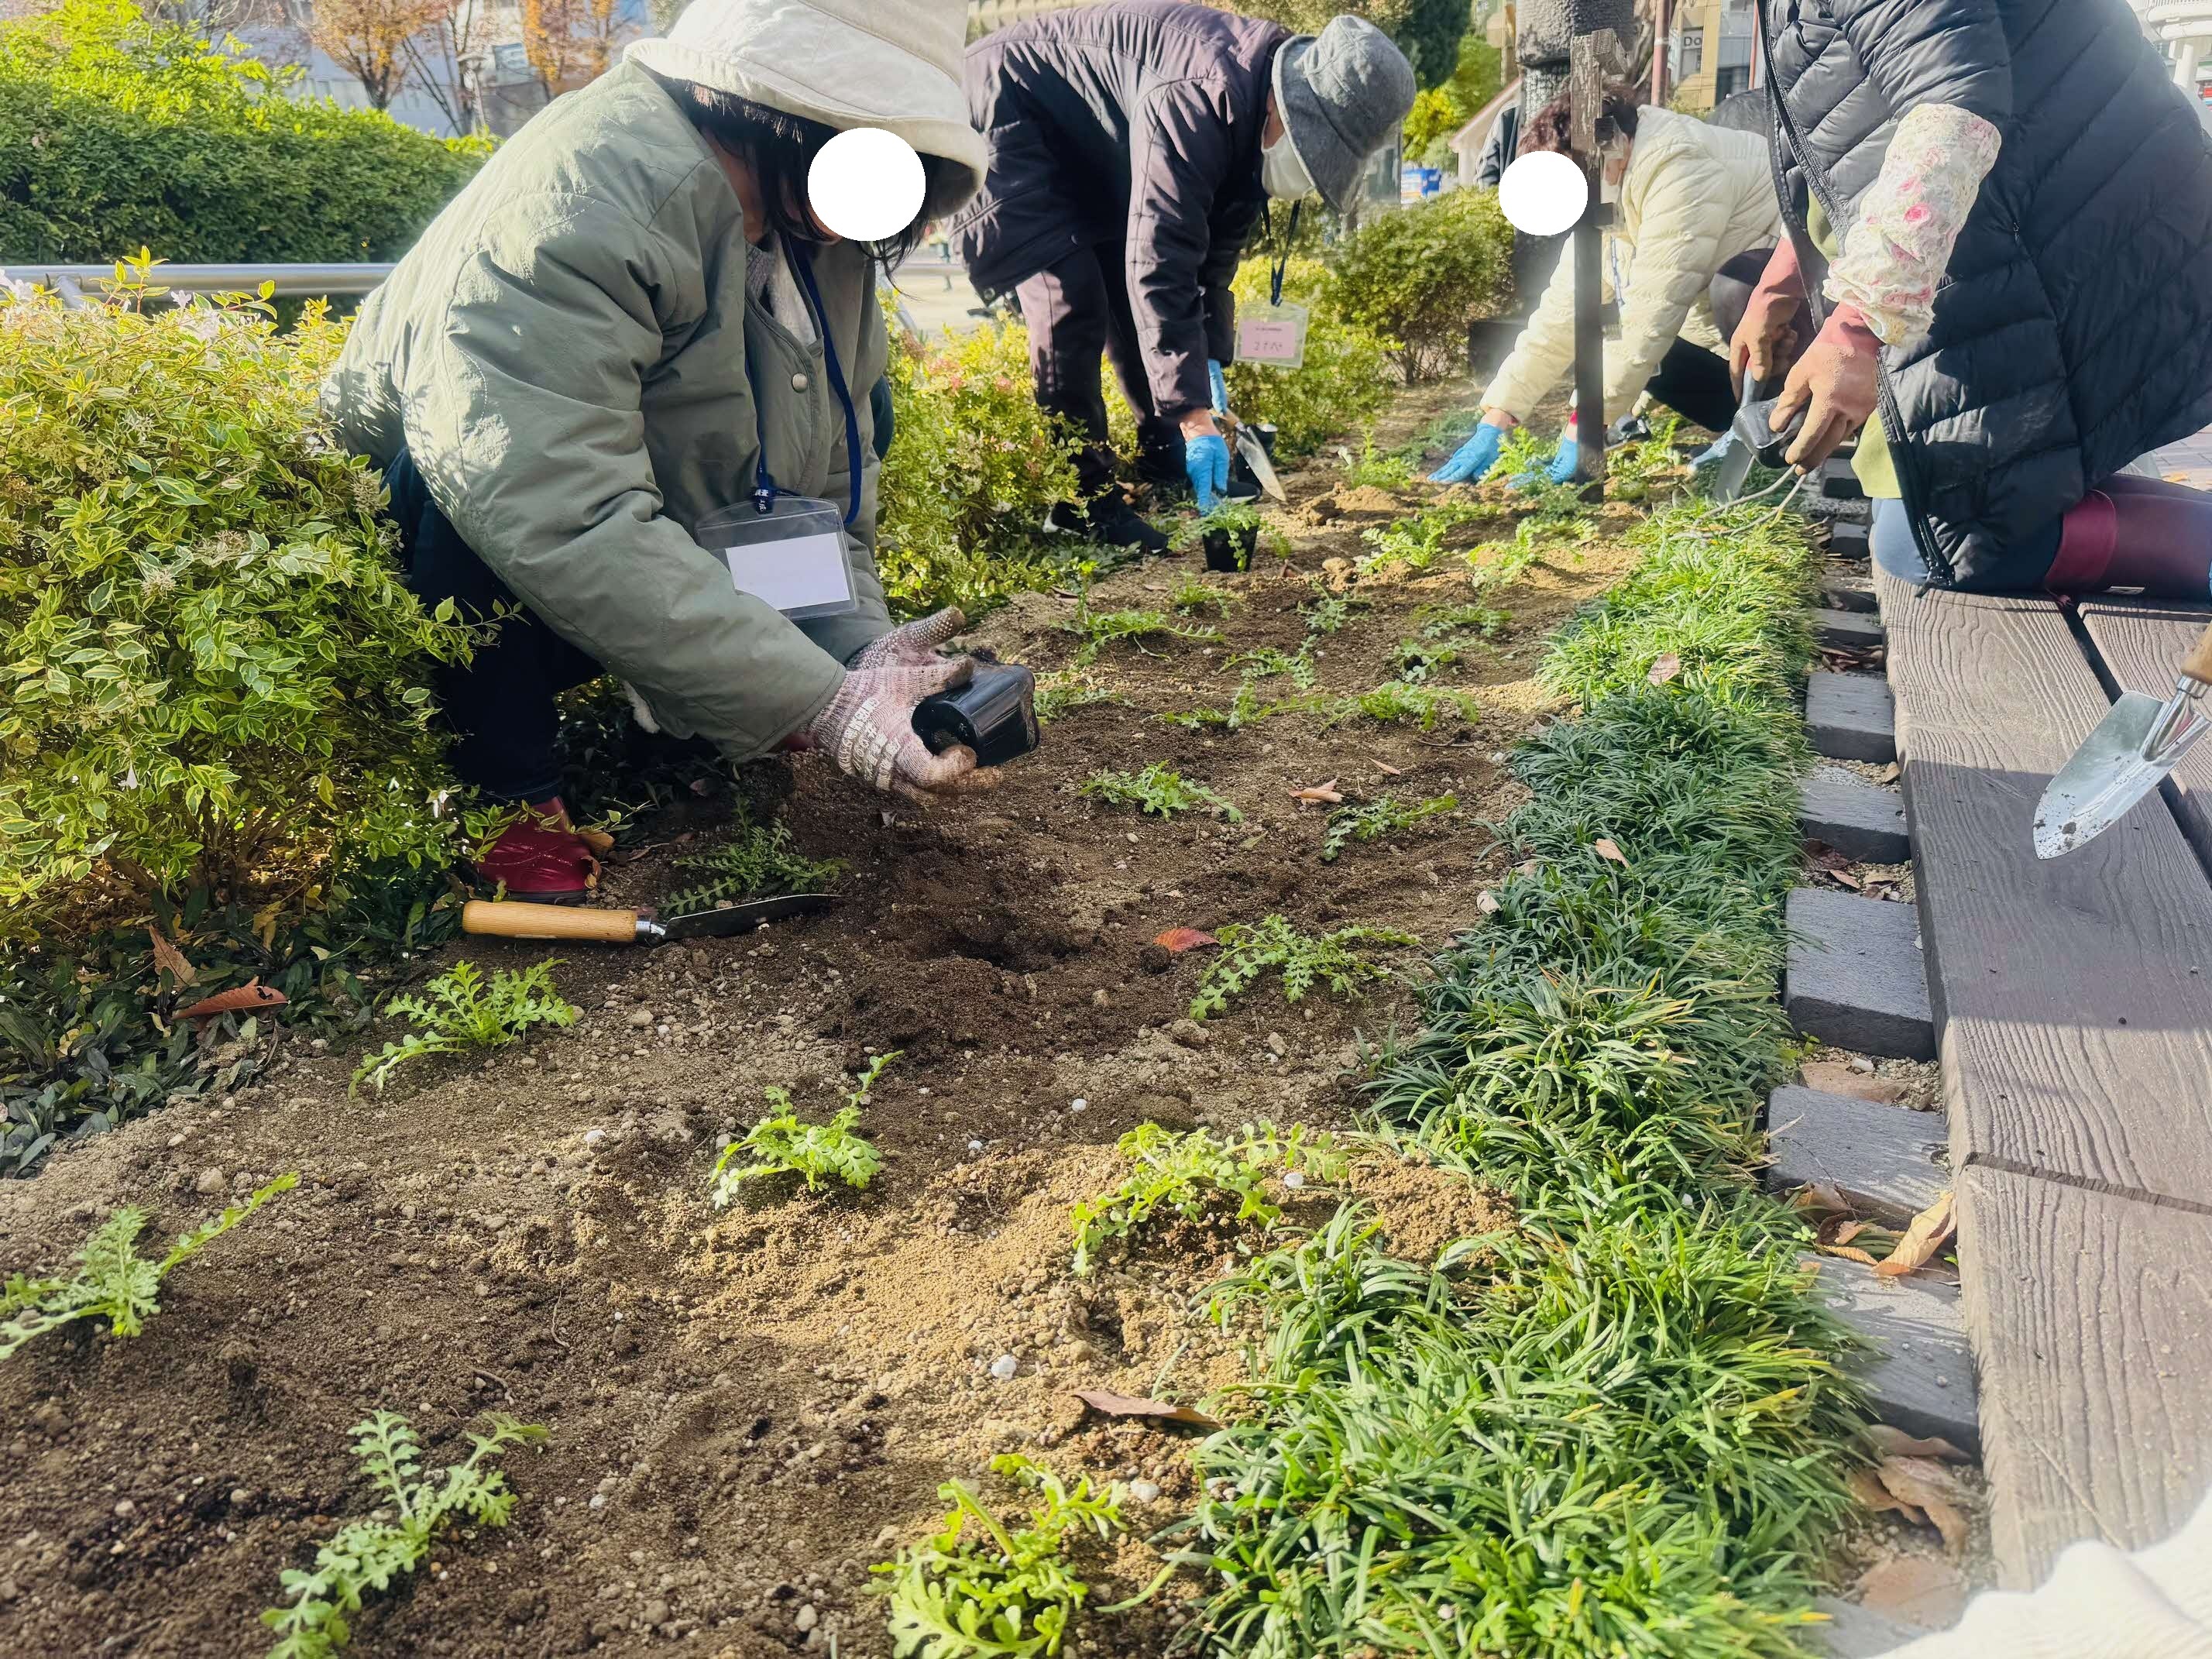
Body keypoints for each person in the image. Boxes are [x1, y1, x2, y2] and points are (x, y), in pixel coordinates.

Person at [324, 0, 998, 901]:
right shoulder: (582, 200)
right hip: (446, 548)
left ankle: (699, 713)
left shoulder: (806, 212)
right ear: (789, 117)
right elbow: (554, 504)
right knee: (459, 487)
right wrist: (821, 704)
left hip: (602, 530)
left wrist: (851, 650)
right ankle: (508, 798)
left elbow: (827, 469)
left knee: (862, 394)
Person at [1735, 0, 2212, 596]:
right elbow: (1847, 136)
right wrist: (1780, 281)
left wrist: (1858, 328)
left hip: (2078, 234)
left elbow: (1952, 114)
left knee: (1945, 544)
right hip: (2033, 228)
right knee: (1946, 517)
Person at [952, 2, 1416, 553]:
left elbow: (1212, 261)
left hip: (1085, 137)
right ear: (1284, 105)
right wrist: (1197, 419)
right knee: (1071, 299)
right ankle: (1081, 500)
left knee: (1126, 300)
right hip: (1007, 110)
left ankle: (1161, 449)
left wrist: (1210, 364)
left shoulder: (1247, 115)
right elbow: (1161, 260)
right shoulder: (1199, 96)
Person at [1432, 84, 1784, 486]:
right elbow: (1560, 315)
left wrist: (1584, 431)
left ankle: (1779, 423)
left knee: (1711, 298)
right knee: (1604, 329)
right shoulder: (1607, 186)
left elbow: (1650, 315)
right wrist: (1498, 416)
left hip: (1793, 324)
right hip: (1730, 347)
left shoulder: (1680, 168)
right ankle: (1746, 420)